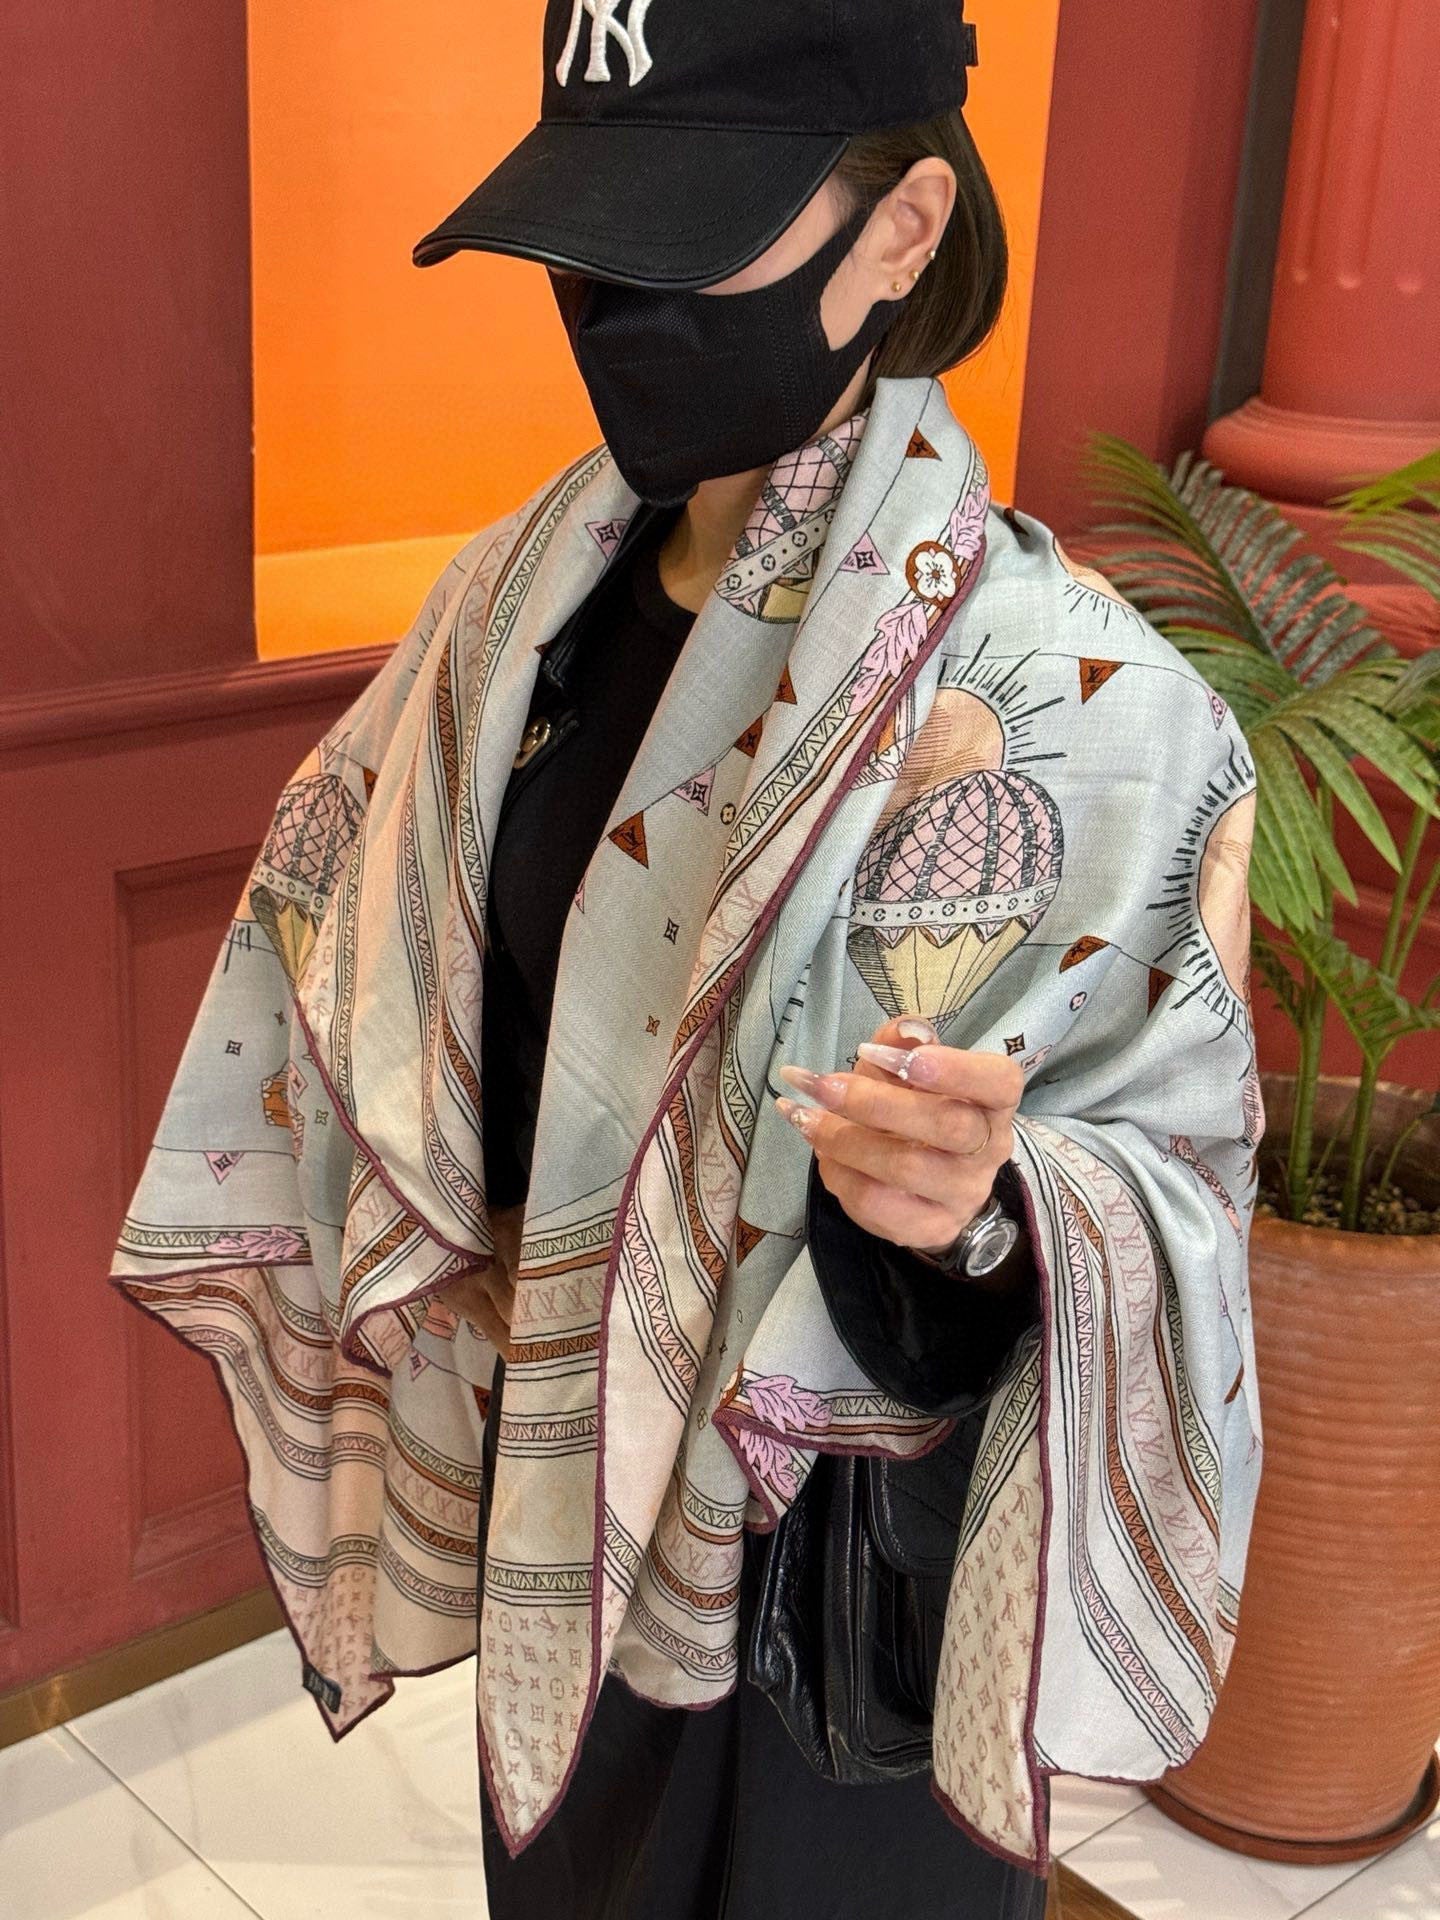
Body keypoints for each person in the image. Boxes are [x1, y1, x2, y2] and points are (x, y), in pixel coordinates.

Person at [109, 3, 1266, 1916]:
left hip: (828, 1596)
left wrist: (987, 1209)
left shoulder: (1083, 711)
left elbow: (1172, 1192)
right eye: (589, 237)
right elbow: (374, 956)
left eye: (684, 235)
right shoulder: (514, 615)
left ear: (903, 231)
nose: (613, 302)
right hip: (556, 1517)